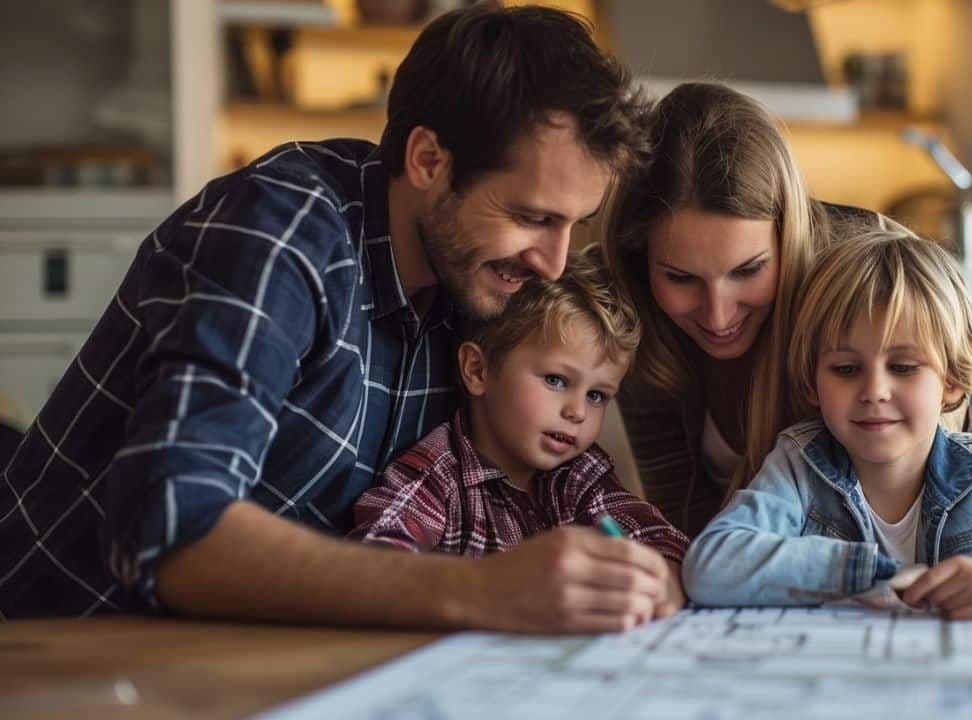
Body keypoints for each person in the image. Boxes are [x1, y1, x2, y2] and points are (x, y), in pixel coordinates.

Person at [0, 5, 663, 633]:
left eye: (572, 224)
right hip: (70, 648)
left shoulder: (474, 280)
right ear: (428, 161)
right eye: (531, 217)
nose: (553, 262)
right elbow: (175, 530)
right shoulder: (282, 231)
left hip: (259, 655)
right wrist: (483, 590)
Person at [682, 226, 972, 616]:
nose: (874, 390)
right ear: (811, 382)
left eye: (903, 367)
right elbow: (711, 566)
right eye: (845, 369)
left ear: (952, 382)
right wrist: (871, 571)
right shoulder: (798, 469)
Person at [602, 82, 954, 537]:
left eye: (748, 270)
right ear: (639, 259)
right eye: (681, 278)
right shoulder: (627, 305)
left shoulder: (866, 269)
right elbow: (683, 519)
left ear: (789, 234)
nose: (717, 316)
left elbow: (946, 486)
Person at [350, 250, 687, 629]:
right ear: (478, 370)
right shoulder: (436, 475)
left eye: (597, 395)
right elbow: (376, 559)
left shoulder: (582, 474)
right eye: (556, 380)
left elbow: (661, 541)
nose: (577, 411)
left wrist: (662, 577)